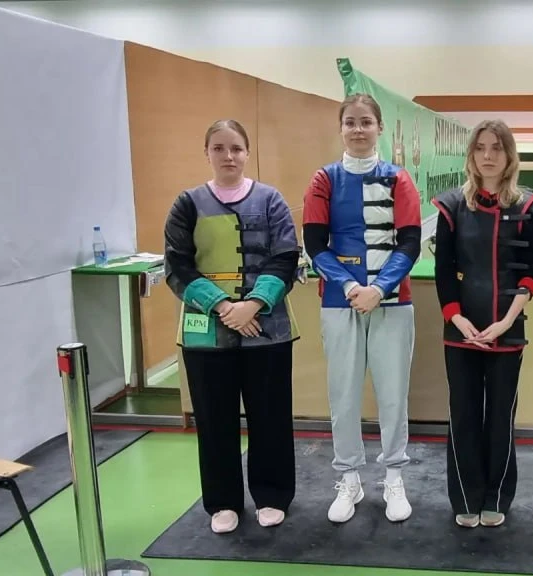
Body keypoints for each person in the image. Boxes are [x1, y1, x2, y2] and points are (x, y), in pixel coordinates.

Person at [164, 119, 300, 534]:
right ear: (206, 153)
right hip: (207, 330)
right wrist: (223, 306)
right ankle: (222, 502)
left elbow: (286, 257)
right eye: (219, 148)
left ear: (247, 152)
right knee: (213, 418)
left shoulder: (271, 200)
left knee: (271, 416)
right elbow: (178, 265)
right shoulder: (187, 204)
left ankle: (272, 494)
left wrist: (253, 304)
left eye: (236, 148)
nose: (229, 156)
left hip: (267, 328)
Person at [302, 93, 422, 524]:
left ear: (379, 128)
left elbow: (410, 242)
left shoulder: (399, 179)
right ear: (341, 128)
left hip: (393, 302)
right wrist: (352, 285)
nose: (358, 129)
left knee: (393, 394)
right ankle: (349, 477)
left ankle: (394, 476)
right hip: (340, 301)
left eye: (365, 122)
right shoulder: (324, 179)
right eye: (350, 122)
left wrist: (381, 287)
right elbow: (314, 244)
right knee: (344, 394)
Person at [431, 119, 533, 528]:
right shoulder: (451, 206)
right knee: (463, 415)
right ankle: (465, 497)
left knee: (500, 417)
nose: (488, 155)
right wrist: (457, 318)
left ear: (509, 154)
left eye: (496, 148)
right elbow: (444, 271)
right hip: (460, 330)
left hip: (507, 330)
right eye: (480, 147)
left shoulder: (528, 207)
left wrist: (507, 321)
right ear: (471, 154)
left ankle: (497, 496)